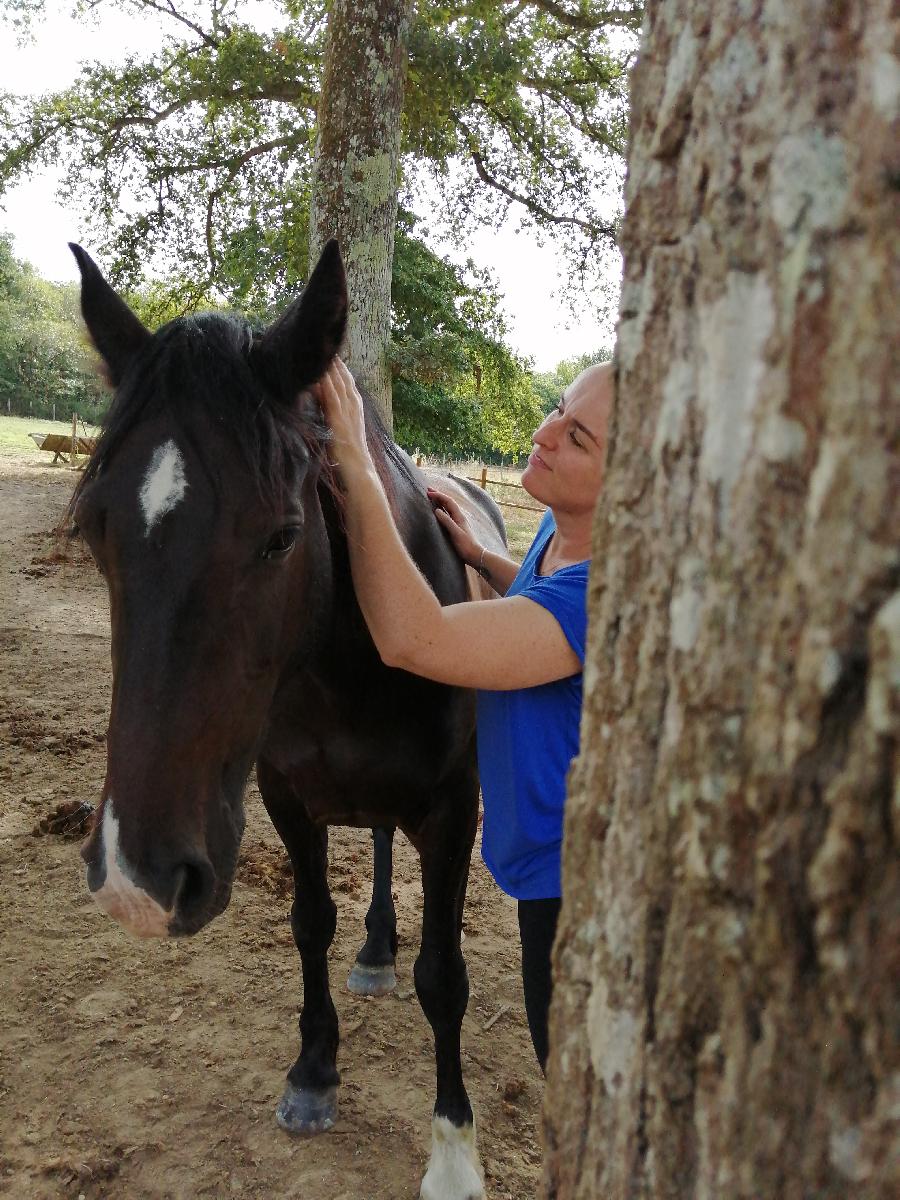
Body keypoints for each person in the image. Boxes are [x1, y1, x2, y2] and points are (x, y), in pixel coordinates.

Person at [315, 358, 614, 1073]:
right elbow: (537, 593)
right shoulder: (558, 530)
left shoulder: (603, 595)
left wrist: (355, 454)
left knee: (570, 1078)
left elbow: (412, 638)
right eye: (557, 406)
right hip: (539, 853)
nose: (543, 433)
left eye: (577, 439)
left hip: (574, 889)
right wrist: (481, 555)